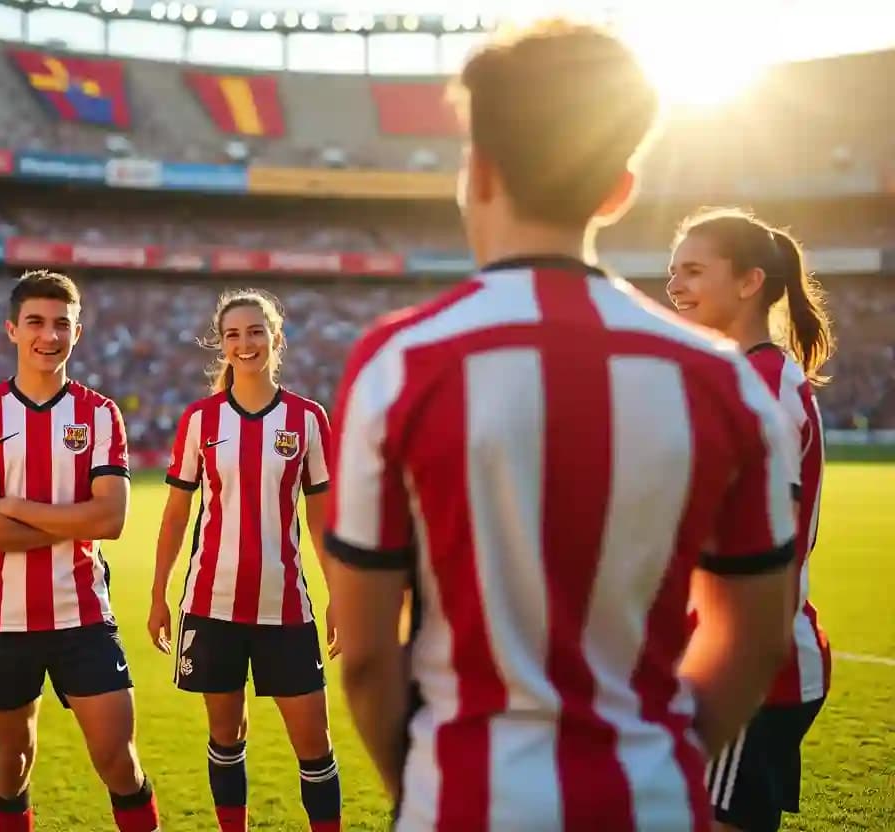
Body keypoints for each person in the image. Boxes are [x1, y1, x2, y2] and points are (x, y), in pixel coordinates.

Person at [322, 20, 802, 831]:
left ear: (477, 172)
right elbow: (755, 635)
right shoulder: (720, 379)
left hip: (463, 800)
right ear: (620, 190)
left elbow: (368, 656)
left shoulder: (400, 360)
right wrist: (660, 754)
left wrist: (427, 785)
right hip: (650, 803)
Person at [0, 270, 159, 832]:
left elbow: (110, 518)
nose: (49, 335)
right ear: (12, 330)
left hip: (84, 615)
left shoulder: (100, 414)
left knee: (119, 760)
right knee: (12, 764)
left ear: (78, 333)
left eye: (61, 323)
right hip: (5, 620)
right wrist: (73, 523)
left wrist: (13, 506)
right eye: (36, 322)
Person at [148, 289, 342, 832]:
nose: (245, 343)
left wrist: (339, 597)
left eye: (255, 331)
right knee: (226, 737)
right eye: (233, 334)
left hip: (286, 610)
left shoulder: (307, 418)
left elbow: (324, 520)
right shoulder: (201, 420)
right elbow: (176, 514)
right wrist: (160, 594)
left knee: (315, 743)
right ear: (222, 345)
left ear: (276, 338)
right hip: (212, 607)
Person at [668, 209, 835, 832]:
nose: (675, 287)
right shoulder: (736, 380)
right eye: (671, 273)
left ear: (748, 282)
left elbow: (765, 549)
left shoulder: (761, 389)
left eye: (692, 271)